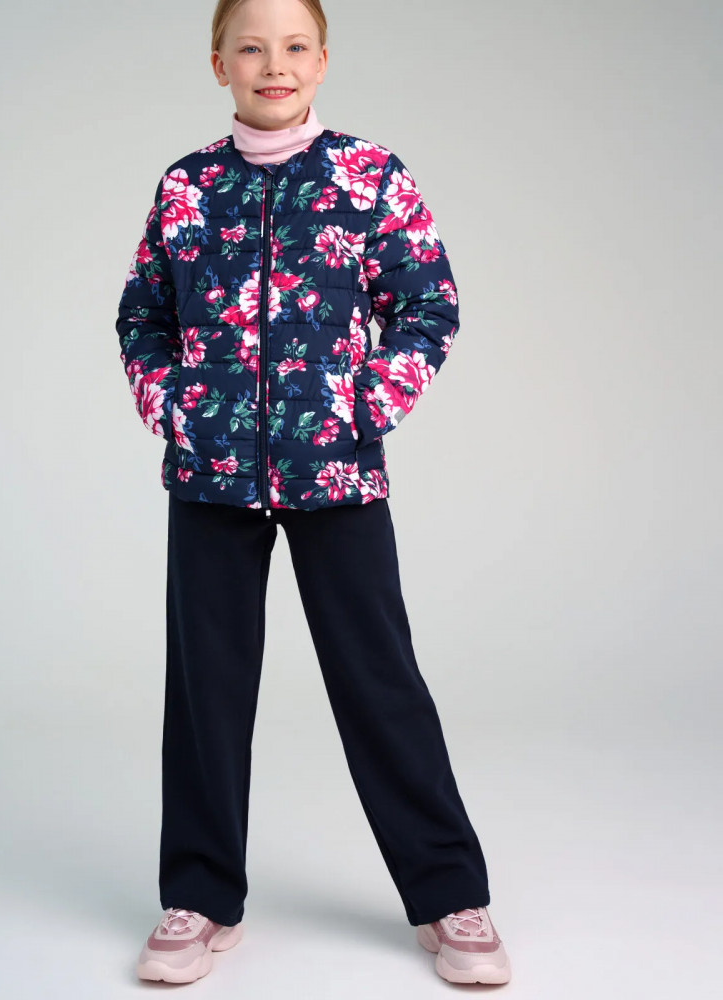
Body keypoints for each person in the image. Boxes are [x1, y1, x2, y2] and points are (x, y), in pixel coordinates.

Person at [115, 0, 512, 986]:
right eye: (251, 46)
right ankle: (200, 896)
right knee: (206, 689)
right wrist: (174, 406)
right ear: (220, 64)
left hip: (337, 470)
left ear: (323, 62)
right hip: (211, 476)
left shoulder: (368, 175)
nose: (274, 63)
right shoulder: (188, 185)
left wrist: (363, 404)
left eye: (294, 46)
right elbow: (142, 314)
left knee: (380, 680)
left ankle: (448, 893)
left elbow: (428, 304)